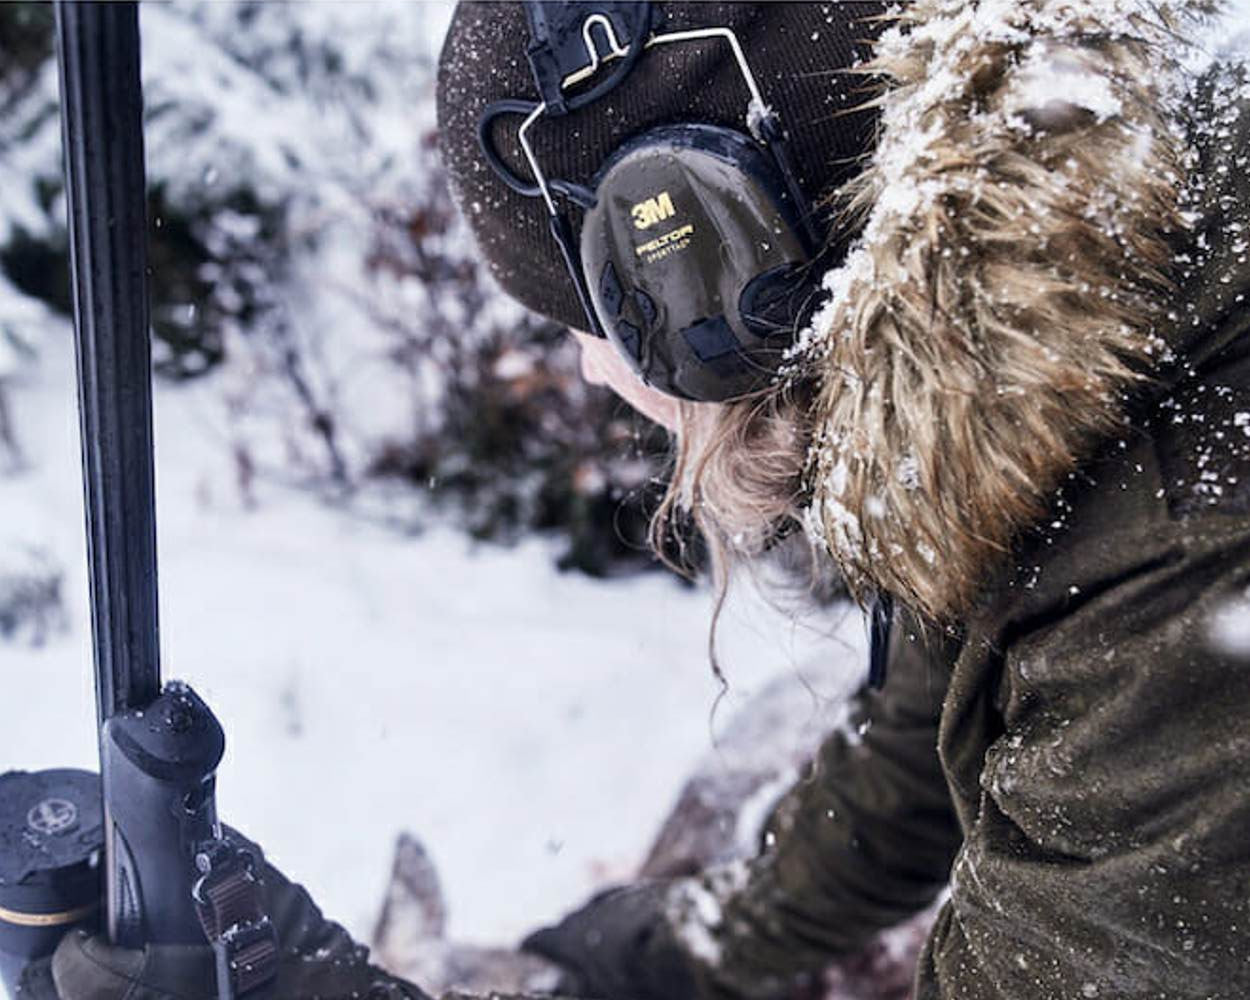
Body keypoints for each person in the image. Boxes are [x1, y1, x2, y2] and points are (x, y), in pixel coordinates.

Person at [34, 2, 1250, 1000]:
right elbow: (905, 765)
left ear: (720, 258)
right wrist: (645, 954)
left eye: (603, 316)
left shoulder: (1173, 572)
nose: (587, 370)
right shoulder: (1052, 354)